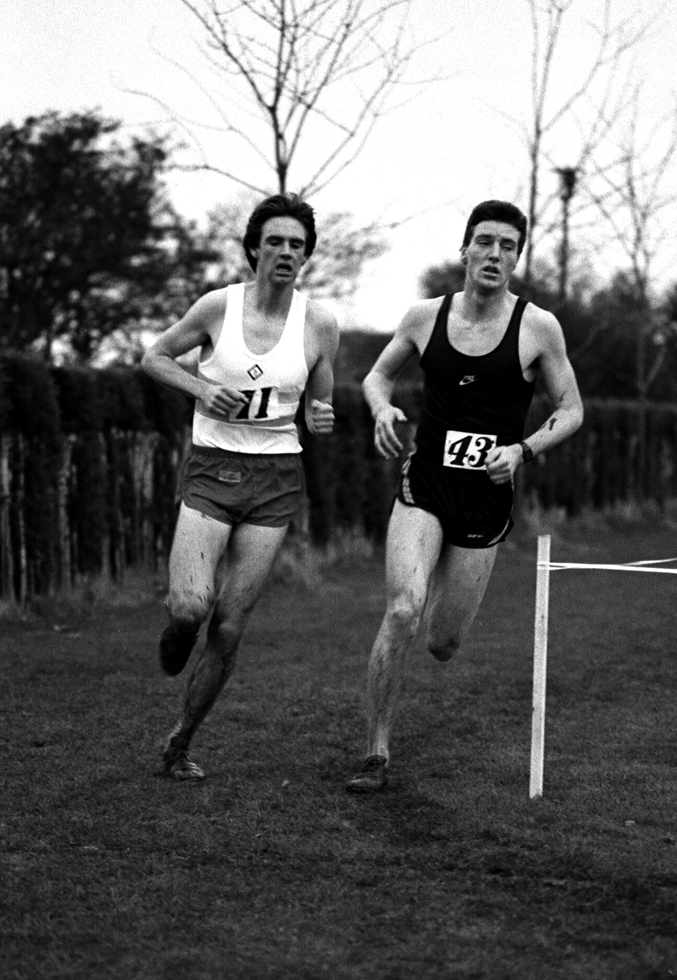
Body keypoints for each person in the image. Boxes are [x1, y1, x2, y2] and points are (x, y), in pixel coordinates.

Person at [346, 200, 584, 793]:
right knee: (403, 607)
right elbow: (376, 375)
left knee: (443, 643)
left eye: (508, 245)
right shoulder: (425, 316)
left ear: (517, 258)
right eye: (485, 242)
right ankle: (376, 753)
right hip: (424, 485)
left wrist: (523, 450)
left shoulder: (538, 327)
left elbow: (572, 409)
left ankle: (433, 623)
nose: (495, 254)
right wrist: (382, 406)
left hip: (487, 499)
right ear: (465, 249)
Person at [142, 192, 339, 780]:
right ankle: (178, 630)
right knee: (190, 608)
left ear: (306, 257)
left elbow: (320, 399)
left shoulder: (320, 323)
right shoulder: (216, 308)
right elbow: (154, 357)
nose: (285, 252)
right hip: (212, 467)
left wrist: (321, 416)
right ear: (254, 248)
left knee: (228, 625)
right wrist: (203, 390)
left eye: (296, 245)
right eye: (275, 241)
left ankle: (180, 741)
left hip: (276, 480)